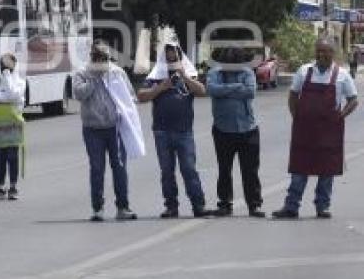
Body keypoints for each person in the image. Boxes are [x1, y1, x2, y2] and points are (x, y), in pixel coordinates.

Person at [273, 38, 358, 219]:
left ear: (332, 53)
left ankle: (322, 206)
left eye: (325, 51)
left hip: (329, 132)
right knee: (299, 168)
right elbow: (293, 95)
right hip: (304, 130)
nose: (321, 54)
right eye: (319, 50)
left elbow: (353, 100)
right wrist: (296, 117)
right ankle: (291, 206)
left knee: (327, 170)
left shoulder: (342, 75)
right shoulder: (304, 71)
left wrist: (341, 115)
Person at [138, 39, 214, 218]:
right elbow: (141, 96)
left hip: (184, 131)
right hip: (162, 131)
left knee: (189, 169)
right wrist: (162, 86)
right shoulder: (156, 76)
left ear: (180, 56)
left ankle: (198, 206)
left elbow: (202, 91)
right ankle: (171, 206)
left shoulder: (188, 74)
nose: (171, 57)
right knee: (167, 171)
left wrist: (184, 76)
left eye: (174, 54)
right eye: (168, 54)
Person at [73, 41, 142, 221]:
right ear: (92, 57)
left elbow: (131, 97)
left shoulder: (117, 72)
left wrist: (125, 113)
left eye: (104, 58)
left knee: (119, 167)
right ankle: (97, 209)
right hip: (93, 129)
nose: (101, 61)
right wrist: (94, 78)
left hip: (115, 128)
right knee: (97, 168)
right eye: (97, 57)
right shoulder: (82, 73)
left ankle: (123, 207)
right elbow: (79, 94)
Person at [206, 47, 264, 218]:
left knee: (250, 171)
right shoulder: (215, 72)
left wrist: (225, 90)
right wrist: (237, 87)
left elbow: (250, 92)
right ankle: (224, 204)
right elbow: (212, 90)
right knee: (224, 169)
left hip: (248, 129)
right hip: (222, 130)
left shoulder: (247, 72)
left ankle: (254, 205)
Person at [0, 53, 26, 201]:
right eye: (3, 65)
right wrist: (6, 97)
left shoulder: (20, 82)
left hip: (13, 122)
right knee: (0, 156)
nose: (5, 68)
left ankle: (13, 187)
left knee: (12, 156)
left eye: (8, 65)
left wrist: (8, 77)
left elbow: (13, 95)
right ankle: (0, 187)